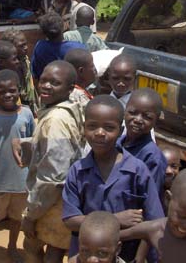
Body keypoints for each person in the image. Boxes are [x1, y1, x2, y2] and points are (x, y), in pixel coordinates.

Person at [62, 95, 164, 262]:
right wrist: (116, 220)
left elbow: (154, 221)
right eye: (92, 126)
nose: (100, 133)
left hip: (126, 256)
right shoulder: (77, 171)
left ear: (120, 130)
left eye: (109, 127)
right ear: (83, 128)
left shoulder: (137, 170)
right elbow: (70, 220)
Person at [22, 60, 85, 263]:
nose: (46, 86)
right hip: (63, 200)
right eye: (44, 80)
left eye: (54, 83)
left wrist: (31, 214)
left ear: (69, 89)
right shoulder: (65, 109)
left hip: (53, 203)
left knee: (37, 247)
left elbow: (54, 177)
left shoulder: (55, 120)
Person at [0, 70, 35, 261]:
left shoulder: (27, 114)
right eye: (2, 92)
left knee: (17, 215)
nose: (8, 95)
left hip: (21, 178)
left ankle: (12, 245)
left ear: (19, 90)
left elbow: (33, 142)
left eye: (12, 91)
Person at [117, 89, 167, 194]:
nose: (138, 120)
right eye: (132, 113)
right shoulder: (116, 144)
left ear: (156, 121)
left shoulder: (152, 157)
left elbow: (150, 197)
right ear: (124, 111)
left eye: (147, 117)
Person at [31, 12, 86, 80]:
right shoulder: (78, 48)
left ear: (43, 32)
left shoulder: (40, 47)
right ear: (64, 27)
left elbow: (36, 74)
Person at [1, 28, 39, 115]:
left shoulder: (25, 61)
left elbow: (31, 88)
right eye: (21, 46)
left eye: (25, 44)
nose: (26, 48)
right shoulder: (6, 67)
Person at [161, 146, 181, 214]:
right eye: (164, 165)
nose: (169, 171)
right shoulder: (149, 192)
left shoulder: (182, 195)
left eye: (174, 167)